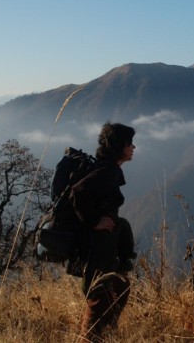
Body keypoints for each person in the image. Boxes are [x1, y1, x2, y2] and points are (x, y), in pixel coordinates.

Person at [70, 122, 137, 342]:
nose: (133, 147)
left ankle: (106, 335)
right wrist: (94, 221)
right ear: (120, 146)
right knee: (99, 297)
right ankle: (92, 338)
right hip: (96, 246)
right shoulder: (106, 171)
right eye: (130, 143)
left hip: (103, 246)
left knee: (119, 288)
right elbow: (77, 192)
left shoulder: (108, 168)